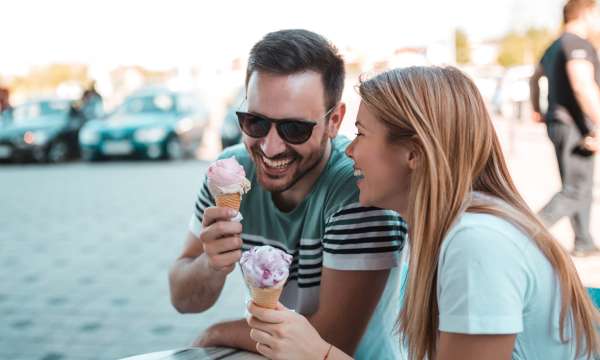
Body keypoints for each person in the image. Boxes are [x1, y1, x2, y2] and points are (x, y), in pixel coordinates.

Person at [247, 66, 600, 360]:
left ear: (413, 153)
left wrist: (320, 354)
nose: (350, 151)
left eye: (361, 134)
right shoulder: (445, 232)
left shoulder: (476, 243)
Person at [168, 29, 408, 359]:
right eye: (255, 122)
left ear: (334, 121)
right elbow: (183, 299)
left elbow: (331, 339)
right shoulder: (231, 173)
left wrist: (217, 333)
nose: (270, 146)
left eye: (294, 128)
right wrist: (211, 263)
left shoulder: (357, 191)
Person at [530, 0, 600, 257]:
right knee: (575, 189)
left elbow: (535, 77)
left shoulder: (553, 45)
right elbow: (582, 85)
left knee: (578, 185)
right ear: (587, 12)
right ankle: (526, 232)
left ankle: (584, 241)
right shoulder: (576, 43)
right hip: (575, 126)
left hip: (560, 123)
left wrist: (536, 107)